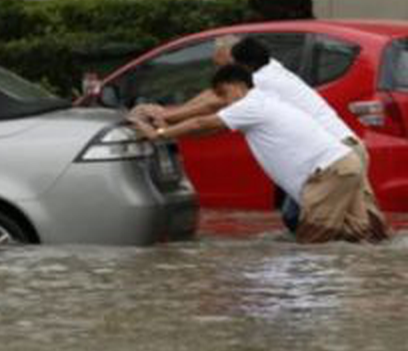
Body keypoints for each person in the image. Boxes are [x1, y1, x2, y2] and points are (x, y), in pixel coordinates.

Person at [132, 64, 388, 244]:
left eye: (223, 93)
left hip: (328, 173)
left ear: (236, 86)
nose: (224, 101)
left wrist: (160, 133)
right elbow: (207, 130)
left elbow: (202, 124)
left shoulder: (249, 105)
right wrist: (169, 128)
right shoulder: (263, 99)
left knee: (314, 244)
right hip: (346, 163)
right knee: (362, 238)